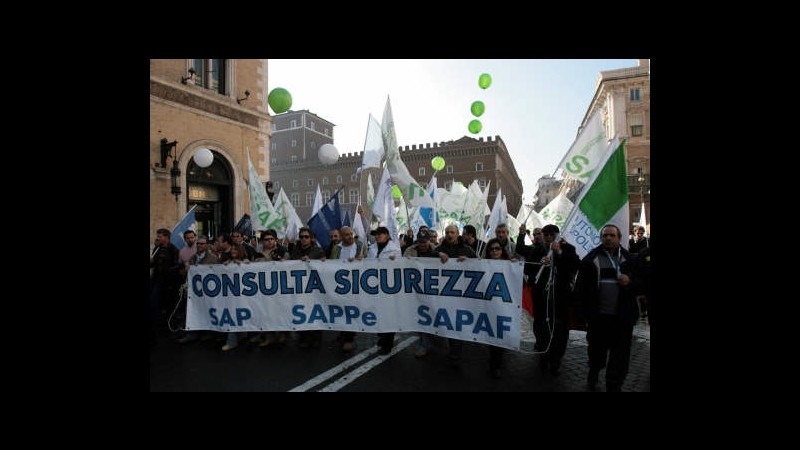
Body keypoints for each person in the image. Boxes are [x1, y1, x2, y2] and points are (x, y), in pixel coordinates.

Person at [577, 224, 638, 392]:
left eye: (612, 235)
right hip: (599, 318)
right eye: (605, 235)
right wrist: (584, 314)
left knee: (619, 356)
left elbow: (643, 285)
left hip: (622, 318)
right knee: (597, 351)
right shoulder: (590, 260)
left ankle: (614, 384)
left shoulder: (631, 260)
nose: (608, 238)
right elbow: (581, 289)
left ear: (619, 238)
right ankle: (594, 371)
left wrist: (630, 283)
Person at [527, 224, 579, 375]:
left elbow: (573, 266)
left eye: (552, 235)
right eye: (546, 235)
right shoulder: (537, 249)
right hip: (541, 297)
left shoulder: (568, 248)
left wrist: (559, 254)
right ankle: (543, 354)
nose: (549, 237)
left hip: (559, 298)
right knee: (541, 327)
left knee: (560, 329)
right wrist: (539, 264)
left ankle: (556, 359)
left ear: (558, 235)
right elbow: (528, 269)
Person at [434, 224, 477, 363]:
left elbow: (481, 265)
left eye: (452, 232)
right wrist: (437, 254)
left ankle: (455, 350)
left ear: (458, 233)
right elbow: (426, 258)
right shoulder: (439, 249)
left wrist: (469, 261)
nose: (449, 235)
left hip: (461, 294)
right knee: (447, 320)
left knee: (457, 321)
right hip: (444, 294)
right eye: (447, 232)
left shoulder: (467, 250)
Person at [404, 229, 449, 357]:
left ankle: (437, 339)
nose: (422, 244)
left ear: (429, 240)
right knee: (422, 318)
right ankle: (424, 344)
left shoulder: (437, 251)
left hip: (434, 291)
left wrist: (442, 255)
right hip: (416, 291)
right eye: (420, 242)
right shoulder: (410, 251)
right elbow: (402, 265)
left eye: (424, 242)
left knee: (435, 316)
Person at [330, 226, 367, 352]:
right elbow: (331, 263)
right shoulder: (336, 248)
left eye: (351, 234)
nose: (350, 236)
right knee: (341, 309)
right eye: (346, 234)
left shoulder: (360, 246)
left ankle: (349, 339)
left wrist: (362, 260)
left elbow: (371, 262)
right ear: (341, 236)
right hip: (340, 284)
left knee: (351, 311)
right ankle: (343, 332)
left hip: (355, 284)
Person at [367, 226, 402, 354]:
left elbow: (399, 267)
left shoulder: (395, 249)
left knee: (388, 315)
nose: (377, 236)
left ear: (387, 236)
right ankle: (382, 336)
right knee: (378, 313)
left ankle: (387, 344)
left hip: (388, 287)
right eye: (376, 234)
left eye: (380, 234)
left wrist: (395, 262)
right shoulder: (372, 248)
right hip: (374, 286)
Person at [291, 227, 326, 348]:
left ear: (311, 238)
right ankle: (303, 337)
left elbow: (324, 264)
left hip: (314, 287)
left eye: (306, 237)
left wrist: (311, 261)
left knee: (315, 312)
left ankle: (316, 337)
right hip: (300, 287)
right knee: (302, 311)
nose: (303, 239)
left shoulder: (318, 250)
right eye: (301, 237)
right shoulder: (295, 251)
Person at [484, 238, 513, 378]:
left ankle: (496, 364)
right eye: (491, 249)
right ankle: (493, 361)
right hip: (487, 307)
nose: (494, 251)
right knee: (491, 335)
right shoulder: (481, 264)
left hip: (503, 308)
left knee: (499, 335)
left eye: (497, 249)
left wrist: (515, 267)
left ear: (502, 251)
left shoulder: (511, 265)